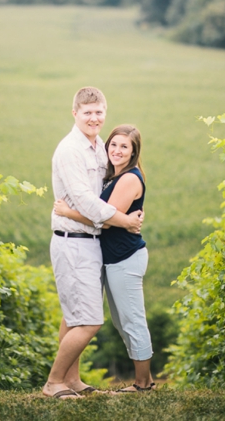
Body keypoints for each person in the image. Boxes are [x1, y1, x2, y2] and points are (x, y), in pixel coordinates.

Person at [41, 87, 143, 400]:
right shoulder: (70, 149)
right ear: (75, 113)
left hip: (91, 242)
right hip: (73, 242)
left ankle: (72, 380)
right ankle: (53, 383)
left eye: (99, 112)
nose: (94, 118)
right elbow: (86, 200)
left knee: (73, 315)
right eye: (87, 112)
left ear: (104, 113)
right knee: (88, 321)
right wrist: (123, 219)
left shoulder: (99, 146)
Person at [54, 124, 155, 393]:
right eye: (113, 144)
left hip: (125, 257)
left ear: (134, 152)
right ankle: (140, 381)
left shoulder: (129, 179)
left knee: (131, 319)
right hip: (113, 258)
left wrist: (67, 212)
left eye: (125, 146)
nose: (117, 150)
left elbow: (107, 222)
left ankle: (144, 383)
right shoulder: (113, 176)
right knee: (123, 321)